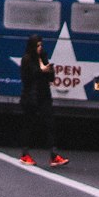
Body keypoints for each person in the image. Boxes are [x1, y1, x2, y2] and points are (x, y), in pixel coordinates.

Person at [19, 34, 68, 168]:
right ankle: (25, 154)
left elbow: (51, 77)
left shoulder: (44, 58)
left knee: (50, 125)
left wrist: (48, 69)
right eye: (38, 45)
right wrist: (42, 71)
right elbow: (28, 77)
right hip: (30, 97)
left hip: (44, 96)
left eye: (41, 45)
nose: (40, 48)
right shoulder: (26, 59)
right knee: (29, 126)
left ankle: (54, 155)